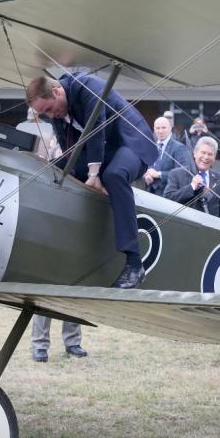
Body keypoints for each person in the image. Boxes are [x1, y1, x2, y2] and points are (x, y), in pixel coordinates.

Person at [27, 73, 158, 289]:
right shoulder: (58, 114)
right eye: (44, 114)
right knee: (53, 169)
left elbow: (98, 128)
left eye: (49, 109)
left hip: (132, 143)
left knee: (114, 175)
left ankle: (134, 263)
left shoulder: (87, 86)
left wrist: (94, 175)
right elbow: (70, 154)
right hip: (106, 150)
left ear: (58, 91)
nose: (50, 115)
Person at [163, 136, 220, 217]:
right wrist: (192, 187)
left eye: (210, 154)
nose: (206, 157)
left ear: (214, 157)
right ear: (195, 153)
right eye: (203, 153)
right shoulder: (176, 174)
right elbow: (168, 199)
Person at [144, 117, 194, 196]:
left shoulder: (179, 148)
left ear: (170, 128)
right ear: (154, 129)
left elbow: (183, 173)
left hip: (169, 196)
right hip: (150, 194)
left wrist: (159, 174)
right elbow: (147, 167)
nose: (160, 131)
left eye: (164, 127)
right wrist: (147, 176)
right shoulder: (151, 147)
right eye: (158, 128)